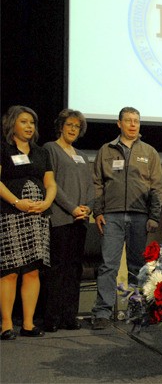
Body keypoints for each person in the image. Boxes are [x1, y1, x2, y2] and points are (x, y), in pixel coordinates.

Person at [91, 107, 162, 330]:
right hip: (111, 216)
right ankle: (102, 312)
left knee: (138, 266)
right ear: (119, 124)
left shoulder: (149, 152)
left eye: (137, 121)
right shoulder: (106, 150)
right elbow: (97, 183)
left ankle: (137, 310)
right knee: (108, 265)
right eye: (128, 121)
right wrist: (98, 212)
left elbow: (157, 186)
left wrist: (154, 216)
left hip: (140, 217)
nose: (133, 125)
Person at [0, 105, 57, 340]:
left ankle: (28, 323)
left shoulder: (41, 152)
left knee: (33, 271)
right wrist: (16, 202)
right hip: (11, 214)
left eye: (32, 123)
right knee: (10, 271)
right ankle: (5, 325)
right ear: (12, 124)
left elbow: (51, 184)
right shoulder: (4, 149)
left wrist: (45, 203)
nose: (29, 126)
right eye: (24, 122)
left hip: (37, 217)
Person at [42, 109, 94, 332]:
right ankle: (51, 318)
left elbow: (90, 186)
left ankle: (69, 316)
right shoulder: (50, 149)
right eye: (69, 125)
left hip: (80, 220)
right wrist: (72, 208)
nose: (73, 129)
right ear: (61, 126)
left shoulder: (81, 155)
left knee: (74, 269)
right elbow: (52, 184)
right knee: (57, 268)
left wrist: (87, 207)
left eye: (77, 127)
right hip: (61, 218)